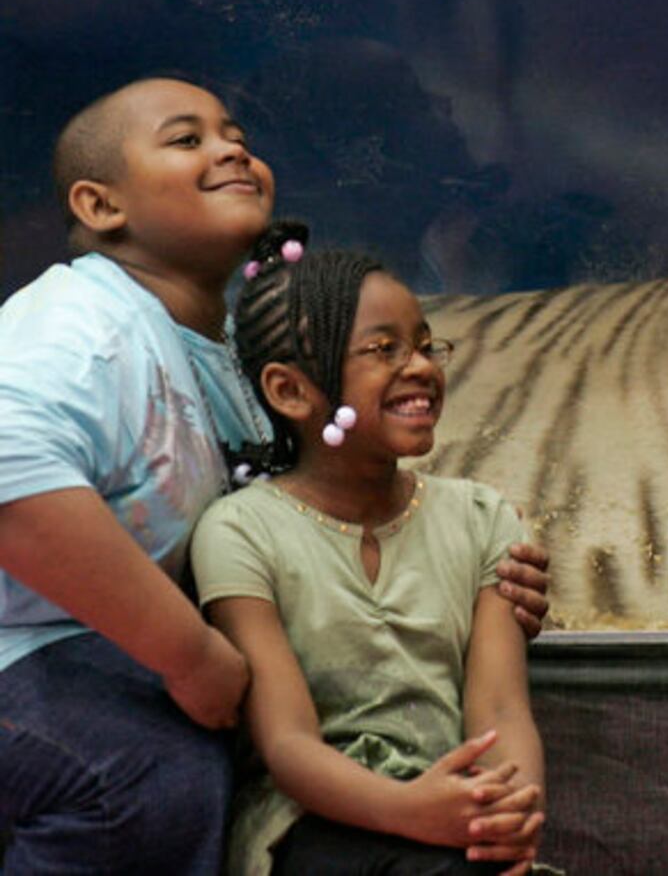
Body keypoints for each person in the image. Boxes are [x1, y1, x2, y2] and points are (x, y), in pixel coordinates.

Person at [0, 77, 550, 874]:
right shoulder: (80, 330)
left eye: (236, 137)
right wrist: (190, 654)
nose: (230, 149)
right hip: (24, 651)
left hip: (93, 651)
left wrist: (465, 574)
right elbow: (9, 474)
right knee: (141, 779)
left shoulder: (218, 348)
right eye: (186, 140)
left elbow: (314, 503)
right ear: (100, 206)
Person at [190, 225, 548, 875]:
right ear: (291, 391)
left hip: (456, 813)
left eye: (423, 345)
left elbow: (499, 708)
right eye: (382, 350)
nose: (420, 367)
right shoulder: (241, 532)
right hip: (310, 822)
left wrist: (506, 811)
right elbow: (288, 742)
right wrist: (411, 809)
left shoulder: (481, 518)